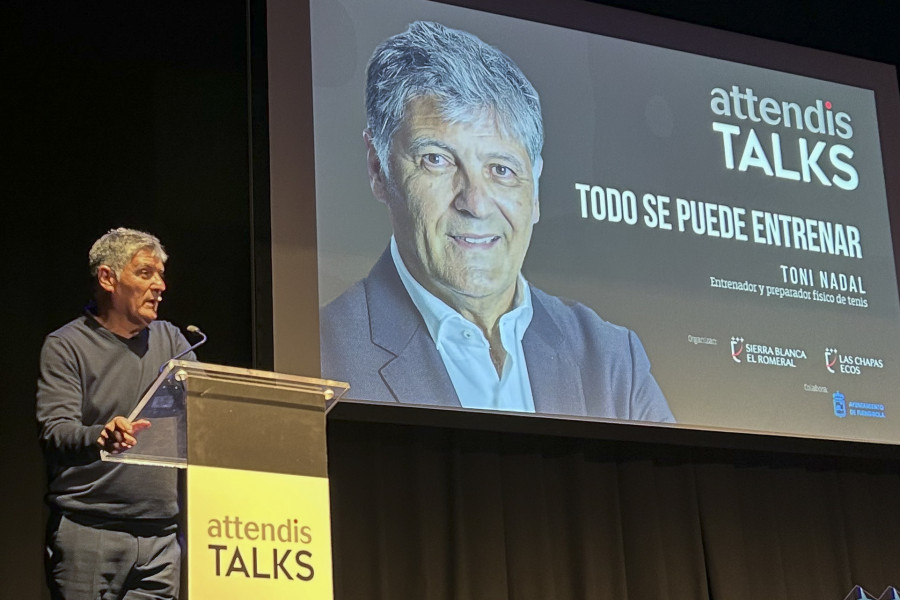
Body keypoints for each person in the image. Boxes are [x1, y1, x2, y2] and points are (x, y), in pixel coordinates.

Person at [320, 21, 674, 423]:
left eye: (501, 169)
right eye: (437, 160)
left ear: (535, 190)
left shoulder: (613, 364)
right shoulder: (321, 356)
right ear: (378, 169)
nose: (475, 203)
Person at [37, 228, 195, 600]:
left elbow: (203, 411)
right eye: (145, 273)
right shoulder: (67, 346)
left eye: (160, 274)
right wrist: (101, 436)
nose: (160, 285)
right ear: (108, 278)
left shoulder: (172, 341)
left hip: (160, 537)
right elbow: (54, 432)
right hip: (89, 531)